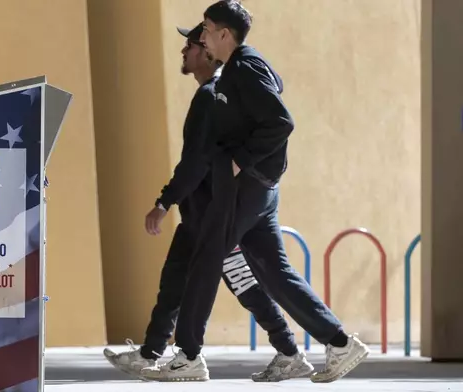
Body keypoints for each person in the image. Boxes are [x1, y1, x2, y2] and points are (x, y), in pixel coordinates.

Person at [141, 1, 370, 384]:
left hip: (245, 188)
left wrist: (239, 162)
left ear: (224, 34)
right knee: (274, 273)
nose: (203, 36)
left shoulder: (244, 68)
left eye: (207, 29)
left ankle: (189, 356)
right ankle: (340, 342)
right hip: (259, 190)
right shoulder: (245, 67)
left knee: (206, 261)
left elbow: (281, 122)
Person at [102, 22, 313, 383]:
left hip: (216, 211)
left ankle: (288, 350)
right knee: (174, 283)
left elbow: (195, 162)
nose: (184, 52)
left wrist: (164, 201)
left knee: (241, 281)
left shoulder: (212, 96)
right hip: (198, 211)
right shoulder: (212, 94)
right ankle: (151, 352)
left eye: (190, 46)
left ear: (208, 51)